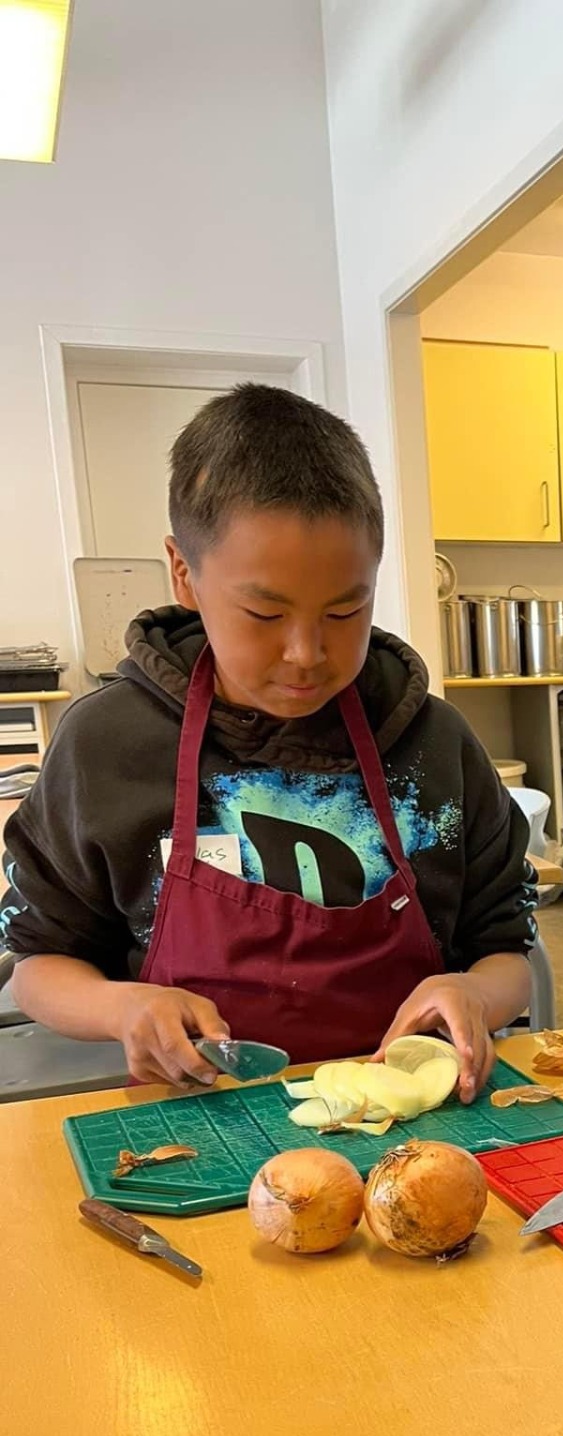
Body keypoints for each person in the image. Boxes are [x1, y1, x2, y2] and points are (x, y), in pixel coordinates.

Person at [1, 385, 533, 1099]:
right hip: (195, 1122)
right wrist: (122, 1006)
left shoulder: (436, 743)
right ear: (183, 573)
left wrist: (477, 994)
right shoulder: (106, 746)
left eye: (346, 610)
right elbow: (38, 966)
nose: (306, 653)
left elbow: (505, 950)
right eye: (264, 612)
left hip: (422, 1119)